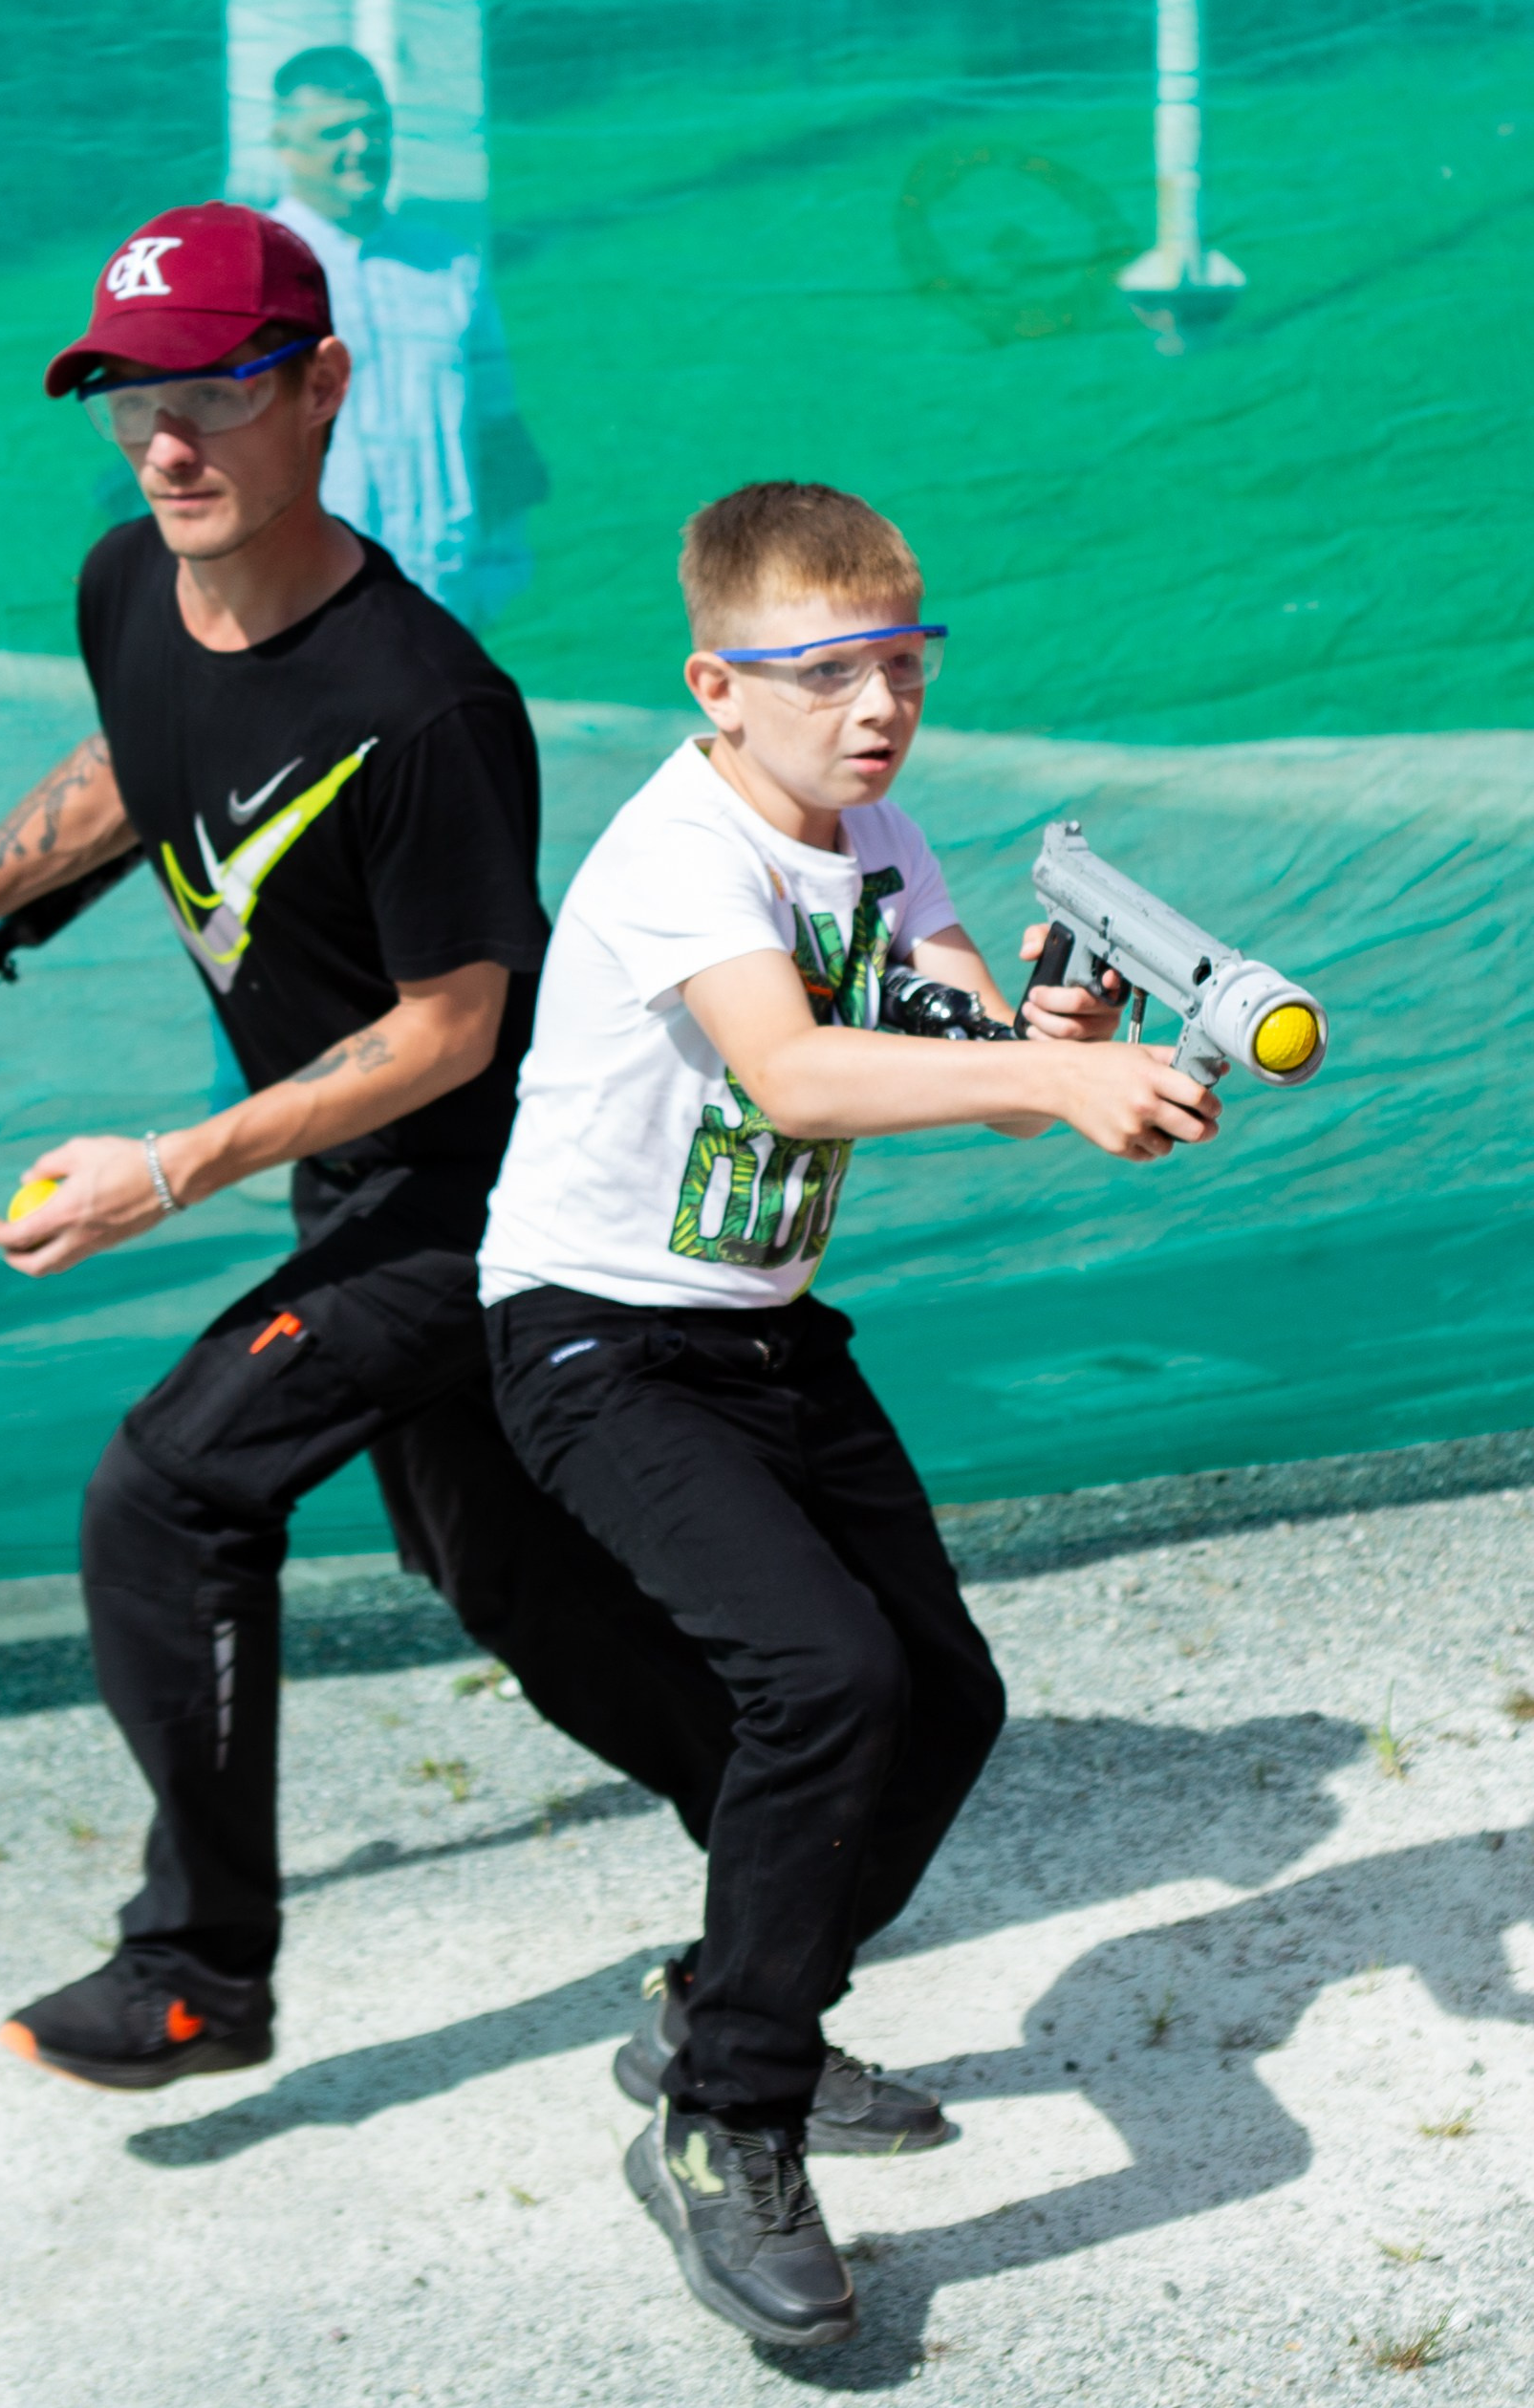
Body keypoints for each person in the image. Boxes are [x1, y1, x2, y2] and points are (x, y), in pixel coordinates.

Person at [0, 201, 731, 2090]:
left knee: (166, 1488)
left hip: (495, 1188)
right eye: (122, 397)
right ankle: (796, 1789)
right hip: (374, 1180)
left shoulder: (423, 704)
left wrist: (165, 1167)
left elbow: (451, 1026)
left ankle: (195, 1968)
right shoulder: (125, 585)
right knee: (504, 1572)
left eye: (213, 392)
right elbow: (129, 764)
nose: (165, 439)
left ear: (321, 385)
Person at [478, 478, 1221, 2352]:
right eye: (825, 671)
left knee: (942, 1696)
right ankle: (728, 2115)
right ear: (715, 684)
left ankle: (730, 2003)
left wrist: (1041, 1051)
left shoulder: (871, 826)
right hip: (594, 1337)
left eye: (902, 658)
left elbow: (942, 1013)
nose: (877, 703)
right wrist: (1053, 1094)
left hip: (763, 1332)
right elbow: (796, 1068)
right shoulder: (682, 851)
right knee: (825, 1677)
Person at [268, 45, 547, 631]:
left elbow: (497, 426)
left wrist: (495, 570)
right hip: (301, 591)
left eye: (375, 127)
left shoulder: (448, 266)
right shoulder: (254, 266)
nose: (361, 148)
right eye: (334, 132)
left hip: (441, 584)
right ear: (282, 140)